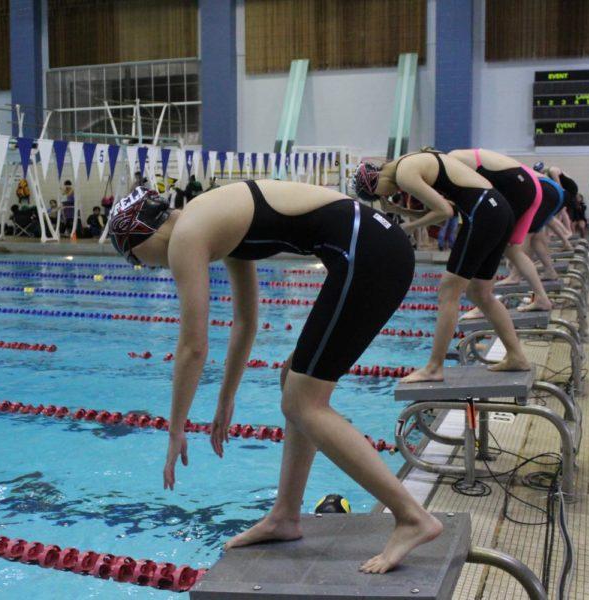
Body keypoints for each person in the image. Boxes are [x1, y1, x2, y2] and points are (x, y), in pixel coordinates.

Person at [108, 181, 442, 574]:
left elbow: (192, 347)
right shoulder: (211, 222)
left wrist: (175, 429)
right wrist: (225, 398)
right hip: (372, 248)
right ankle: (285, 516)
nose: (144, 266)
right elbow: (246, 321)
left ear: (139, 235)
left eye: (133, 258)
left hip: (368, 253)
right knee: (293, 381)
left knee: (304, 401)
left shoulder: (187, 235)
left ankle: (412, 517)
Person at [356, 153, 530, 385]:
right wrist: (402, 212)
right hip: (498, 209)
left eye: (381, 195)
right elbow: (444, 208)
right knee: (479, 293)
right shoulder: (408, 162)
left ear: (376, 182)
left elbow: (444, 214)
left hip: (483, 213)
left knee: (448, 292)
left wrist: (406, 228)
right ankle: (517, 356)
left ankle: (434, 368)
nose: (388, 196)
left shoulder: (404, 173)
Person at [447, 148, 552, 313]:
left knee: (492, 243)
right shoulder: (458, 158)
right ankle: (541, 298)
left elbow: (468, 202)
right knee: (511, 250)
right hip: (529, 186)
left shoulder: (451, 161)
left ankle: (482, 302)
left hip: (520, 186)